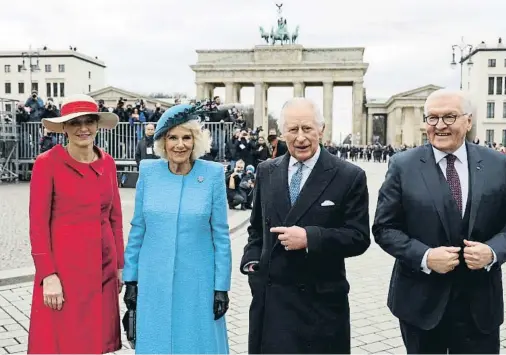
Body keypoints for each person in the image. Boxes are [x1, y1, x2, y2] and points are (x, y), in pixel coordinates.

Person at [372, 89, 506, 354]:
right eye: (432, 118)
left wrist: (493, 252)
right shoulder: (402, 165)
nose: (440, 126)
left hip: (480, 304)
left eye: (449, 117)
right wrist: (424, 256)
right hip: (420, 303)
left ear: (468, 121)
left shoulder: (498, 164)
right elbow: (384, 227)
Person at [240, 97, 371, 354]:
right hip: (272, 300)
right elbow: (256, 228)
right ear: (281, 133)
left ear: (321, 130)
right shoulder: (266, 170)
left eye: (308, 129)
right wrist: (252, 261)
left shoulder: (349, 175)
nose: (300, 137)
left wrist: (311, 238)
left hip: (319, 303)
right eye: (293, 129)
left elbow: (359, 237)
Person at [122, 104, 232, 354]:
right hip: (154, 281)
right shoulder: (148, 173)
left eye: (186, 137)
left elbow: (221, 236)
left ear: (196, 141)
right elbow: (138, 228)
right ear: (162, 142)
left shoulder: (213, 174)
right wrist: (131, 280)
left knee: (197, 344)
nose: (179, 145)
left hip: (198, 282)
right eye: (172, 137)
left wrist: (221, 287)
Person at [27, 94, 123, 354]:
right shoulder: (47, 164)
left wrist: (120, 266)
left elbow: (115, 218)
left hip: (103, 268)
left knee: (97, 343)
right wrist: (48, 275)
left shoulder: (109, 162)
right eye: (75, 122)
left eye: (89, 121)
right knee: (64, 343)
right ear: (64, 128)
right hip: (64, 271)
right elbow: (37, 224)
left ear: (97, 124)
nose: (83, 128)